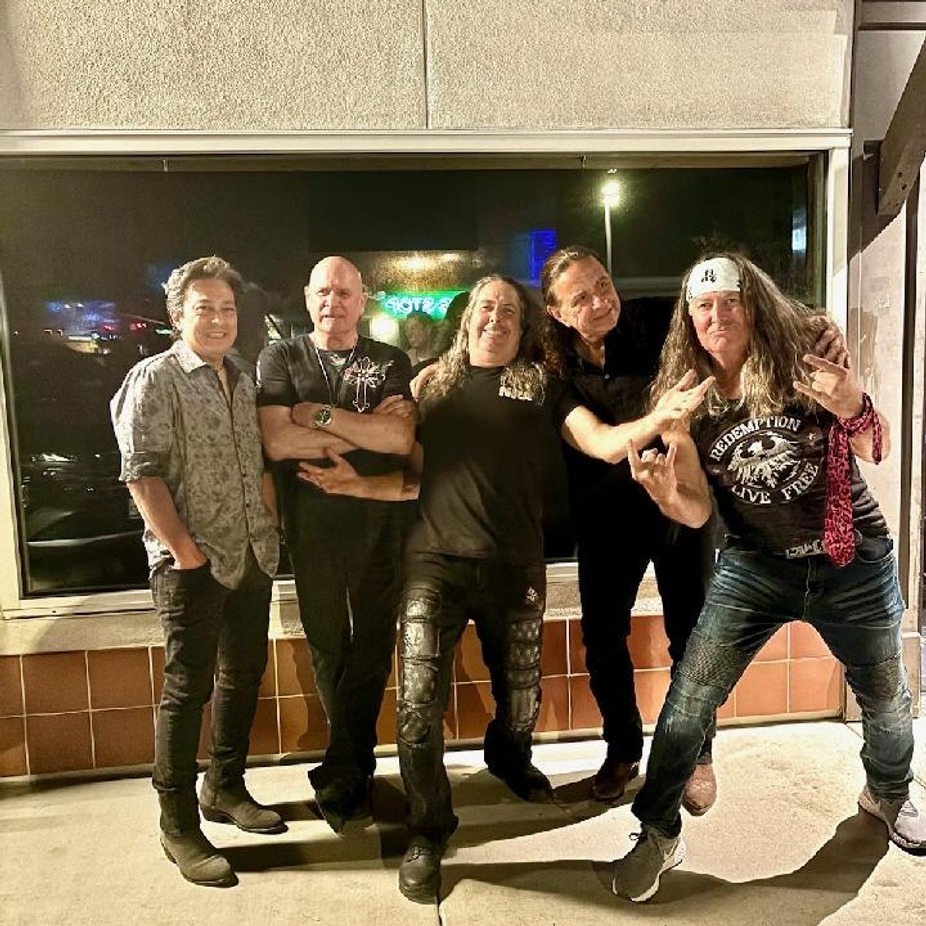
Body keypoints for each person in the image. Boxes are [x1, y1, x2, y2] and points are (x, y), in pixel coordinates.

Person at [611, 254, 926, 903]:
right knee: (689, 696)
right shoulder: (687, 398)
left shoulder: (801, 364)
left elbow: (877, 447)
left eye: (730, 301)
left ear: (753, 305)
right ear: (689, 318)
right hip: (755, 564)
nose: (718, 316)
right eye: (704, 306)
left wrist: (852, 402)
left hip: (849, 555)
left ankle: (889, 793)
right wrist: (664, 492)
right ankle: (658, 830)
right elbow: (697, 509)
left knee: (887, 698)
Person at [394, 274, 713, 904]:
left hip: (515, 566)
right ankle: (428, 830)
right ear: (466, 319)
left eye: (509, 311)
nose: (496, 318)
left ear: (525, 326)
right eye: (486, 307)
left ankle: (508, 756)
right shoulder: (431, 385)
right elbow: (406, 470)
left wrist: (659, 417)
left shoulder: (541, 384)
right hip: (433, 562)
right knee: (416, 701)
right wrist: (346, 471)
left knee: (521, 703)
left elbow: (601, 444)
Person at [110, 256, 283, 888]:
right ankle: (178, 824)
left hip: (253, 554)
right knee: (188, 690)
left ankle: (225, 787)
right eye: (204, 308)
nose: (218, 320)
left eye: (227, 309)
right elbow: (141, 473)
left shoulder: (243, 375)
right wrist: (184, 550)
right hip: (191, 564)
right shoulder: (153, 378)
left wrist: (270, 525)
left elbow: (261, 462)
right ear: (177, 315)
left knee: (243, 675)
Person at [540, 245, 718, 811]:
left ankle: (697, 753)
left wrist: (814, 327)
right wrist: (658, 418)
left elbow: (726, 315)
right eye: (581, 297)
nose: (601, 301)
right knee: (602, 640)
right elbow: (599, 443)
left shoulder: (658, 320)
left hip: (679, 504)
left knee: (692, 635)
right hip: (605, 517)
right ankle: (622, 749)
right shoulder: (554, 371)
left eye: (603, 284)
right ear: (556, 312)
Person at [256, 255, 416, 833]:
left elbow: (400, 439)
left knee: (372, 645)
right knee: (328, 644)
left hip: (379, 520)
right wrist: (363, 430)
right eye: (323, 292)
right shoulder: (280, 357)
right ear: (307, 298)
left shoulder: (389, 359)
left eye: (345, 292)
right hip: (311, 525)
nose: (333, 302)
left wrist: (316, 415)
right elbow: (277, 443)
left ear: (362, 299)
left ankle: (345, 770)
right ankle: (354, 767)